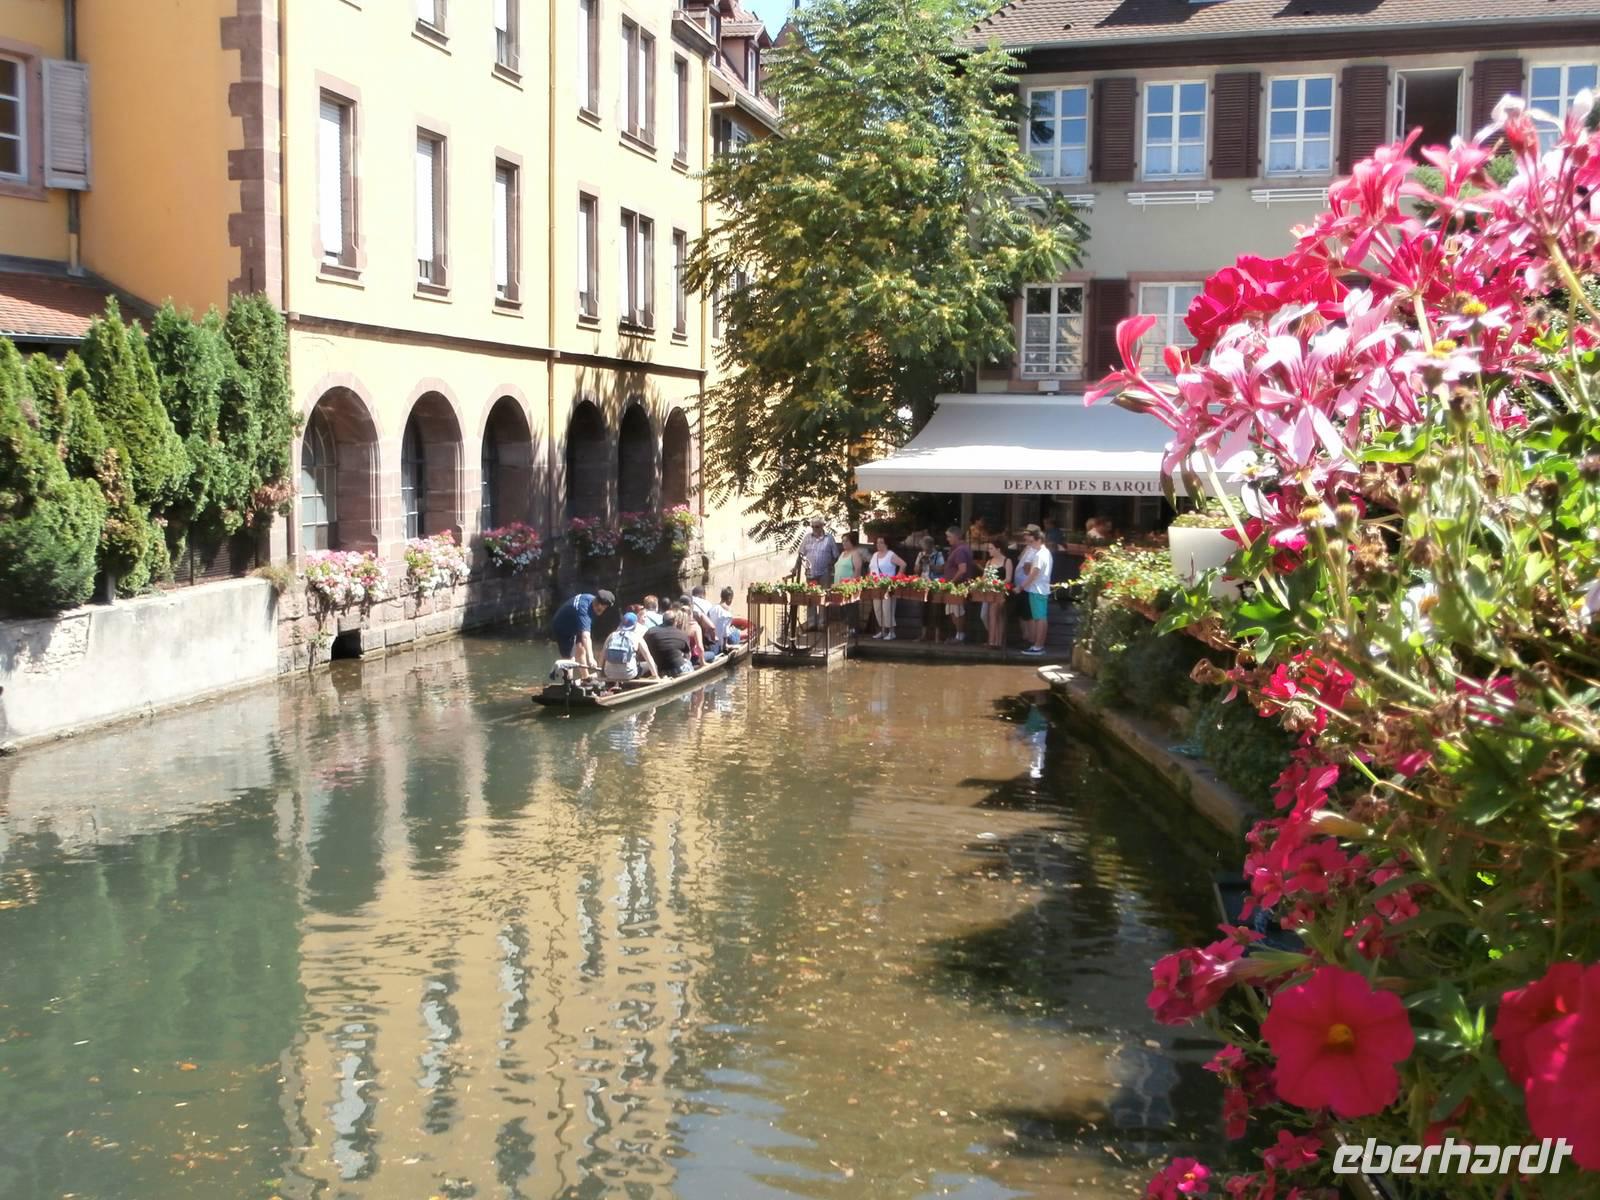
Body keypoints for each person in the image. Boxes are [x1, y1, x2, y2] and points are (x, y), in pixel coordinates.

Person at [550, 589, 613, 672]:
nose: (603, 610)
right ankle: (569, 682)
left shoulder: (591, 599)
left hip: (575, 622)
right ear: (600, 605)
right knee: (569, 660)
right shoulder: (584, 611)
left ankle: (585, 679)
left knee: (581, 648)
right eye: (604, 608)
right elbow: (586, 637)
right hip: (563, 627)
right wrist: (591, 658)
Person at [1016, 526, 1054, 656]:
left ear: (1038, 540)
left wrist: (1021, 587)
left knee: (1039, 619)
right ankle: (1038, 645)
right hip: (1041, 589)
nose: (1030, 545)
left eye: (1031, 542)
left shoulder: (1039, 555)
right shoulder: (1045, 552)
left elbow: (1033, 574)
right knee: (1040, 618)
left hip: (1037, 589)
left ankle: (1038, 646)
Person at [601, 611, 657, 684]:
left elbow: (602, 656)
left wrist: (601, 673)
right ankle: (638, 685)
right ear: (635, 625)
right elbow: (648, 657)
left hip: (609, 673)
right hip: (629, 674)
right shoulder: (637, 637)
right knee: (648, 665)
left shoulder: (612, 635)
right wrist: (655, 675)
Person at [866, 534, 905, 640]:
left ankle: (892, 632)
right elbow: (871, 569)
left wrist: (896, 579)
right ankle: (882, 631)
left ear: (886, 544)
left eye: (881, 542)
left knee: (888, 609)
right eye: (877, 542)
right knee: (878, 609)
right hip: (875, 585)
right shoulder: (874, 555)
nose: (879, 544)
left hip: (887, 586)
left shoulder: (890, 554)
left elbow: (903, 564)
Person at [941, 525, 975, 643]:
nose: (947, 539)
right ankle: (958, 635)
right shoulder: (962, 548)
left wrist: (951, 582)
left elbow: (962, 569)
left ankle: (960, 636)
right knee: (953, 610)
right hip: (955, 585)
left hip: (957, 586)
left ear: (956, 536)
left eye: (949, 536)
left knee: (957, 610)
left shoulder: (960, 550)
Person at [979, 538, 1013, 649]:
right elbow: (984, 577)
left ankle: (995, 641)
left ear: (998, 549)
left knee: (996, 613)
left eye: (991, 548)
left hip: (1002, 592)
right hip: (989, 593)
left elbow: (1008, 578)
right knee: (985, 614)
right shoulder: (989, 562)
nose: (989, 550)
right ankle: (993, 638)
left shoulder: (1007, 561)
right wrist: (983, 583)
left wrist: (997, 584)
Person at [644, 610, 695, 676]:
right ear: (675, 621)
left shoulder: (650, 632)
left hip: (661, 671)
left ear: (663, 619)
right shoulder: (682, 634)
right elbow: (688, 655)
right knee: (688, 662)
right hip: (678, 669)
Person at [914, 533, 944, 642]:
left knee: (936, 610)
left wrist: (931, 564)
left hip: (935, 584)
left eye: (926, 548)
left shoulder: (938, 555)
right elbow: (916, 570)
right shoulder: (920, 554)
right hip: (923, 583)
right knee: (923, 609)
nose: (924, 550)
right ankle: (923, 635)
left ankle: (937, 636)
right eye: (923, 548)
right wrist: (921, 564)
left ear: (930, 546)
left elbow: (941, 569)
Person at [798, 516, 837, 587]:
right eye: (812, 526)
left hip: (824, 574)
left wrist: (830, 567)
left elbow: (836, 556)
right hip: (811, 573)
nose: (814, 529)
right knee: (811, 595)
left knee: (824, 595)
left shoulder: (829, 538)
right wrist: (796, 567)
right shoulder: (807, 537)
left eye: (817, 527)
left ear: (822, 526)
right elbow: (801, 553)